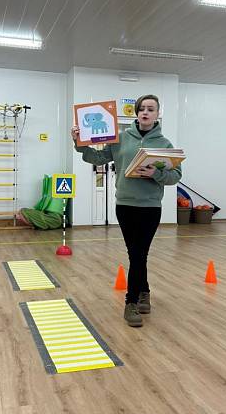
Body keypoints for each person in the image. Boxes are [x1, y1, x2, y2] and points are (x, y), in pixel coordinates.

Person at [71, 95, 182, 327]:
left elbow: (175, 176)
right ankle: (144, 292)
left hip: (150, 207)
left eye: (150, 109)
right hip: (125, 206)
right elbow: (97, 158)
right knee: (137, 254)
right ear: (136, 113)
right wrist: (79, 142)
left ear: (157, 114)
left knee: (138, 254)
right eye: (142, 109)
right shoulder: (120, 139)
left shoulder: (165, 144)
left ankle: (131, 301)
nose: (145, 112)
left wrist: (156, 173)